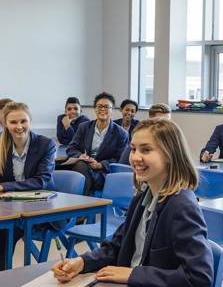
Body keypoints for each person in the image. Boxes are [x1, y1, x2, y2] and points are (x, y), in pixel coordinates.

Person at [52, 119, 213, 287]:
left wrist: (134, 274)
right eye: (134, 149)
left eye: (146, 150)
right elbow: (117, 247)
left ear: (170, 155)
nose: (135, 157)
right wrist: (82, 262)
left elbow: (199, 278)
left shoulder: (181, 206)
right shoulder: (142, 197)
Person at [0, 102, 56, 270]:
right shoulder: (2, 146)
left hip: (42, 209)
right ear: (5, 123)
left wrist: (4, 187)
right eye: (13, 122)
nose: (19, 127)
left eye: (23, 121)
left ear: (30, 121)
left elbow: (42, 180)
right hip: (10, 207)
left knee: (3, 234)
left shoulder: (46, 144)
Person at [66, 92, 129, 195]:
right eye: (99, 106)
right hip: (84, 166)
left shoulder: (121, 133)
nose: (103, 109)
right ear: (95, 109)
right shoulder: (84, 127)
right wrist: (80, 156)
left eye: (106, 107)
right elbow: (71, 148)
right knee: (81, 165)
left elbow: (120, 159)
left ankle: (81, 205)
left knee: (80, 169)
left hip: (103, 173)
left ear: (112, 110)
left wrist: (100, 165)